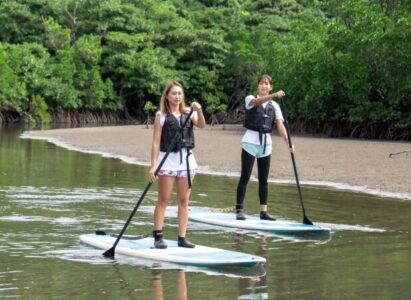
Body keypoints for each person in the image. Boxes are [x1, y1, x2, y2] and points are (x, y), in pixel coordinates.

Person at [149, 81, 205, 249]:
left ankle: (182, 237)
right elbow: (155, 142)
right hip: (168, 161)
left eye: (180, 94)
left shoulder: (189, 112)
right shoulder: (161, 116)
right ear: (167, 96)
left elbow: (202, 125)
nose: (177, 96)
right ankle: (158, 236)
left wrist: (199, 110)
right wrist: (153, 165)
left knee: (184, 201)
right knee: (163, 200)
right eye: (174, 93)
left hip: (186, 163)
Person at [235, 74, 293, 221]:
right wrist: (274, 95)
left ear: (270, 86)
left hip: (266, 145)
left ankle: (263, 212)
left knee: (263, 180)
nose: (264, 86)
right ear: (258, 86)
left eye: (267, 84)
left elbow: (280, 125)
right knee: (245, 177)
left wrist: (288, 142)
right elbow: (256, 101)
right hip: (250, 143)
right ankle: (239, 210)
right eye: (261, 83)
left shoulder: (275, 106)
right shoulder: (250, 99)